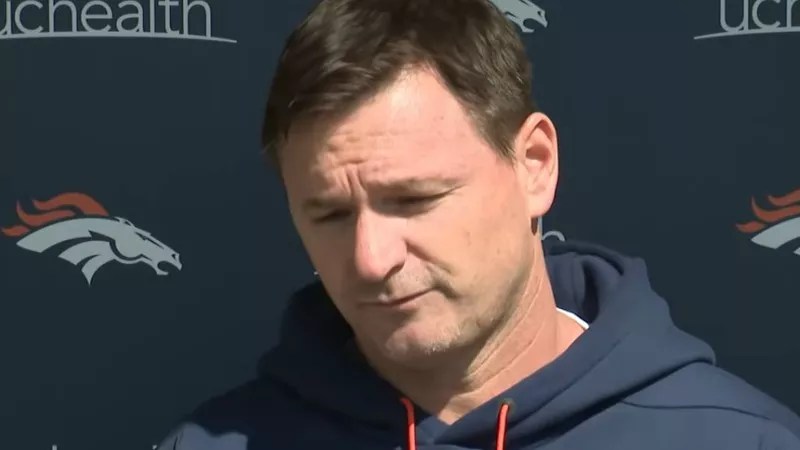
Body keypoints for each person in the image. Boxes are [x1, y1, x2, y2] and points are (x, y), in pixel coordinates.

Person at [156, 0, 800, 448]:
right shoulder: (214, 443)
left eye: (414, 199)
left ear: (534, 166)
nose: (371, 258)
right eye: (329, 214)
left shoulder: (737, 439)